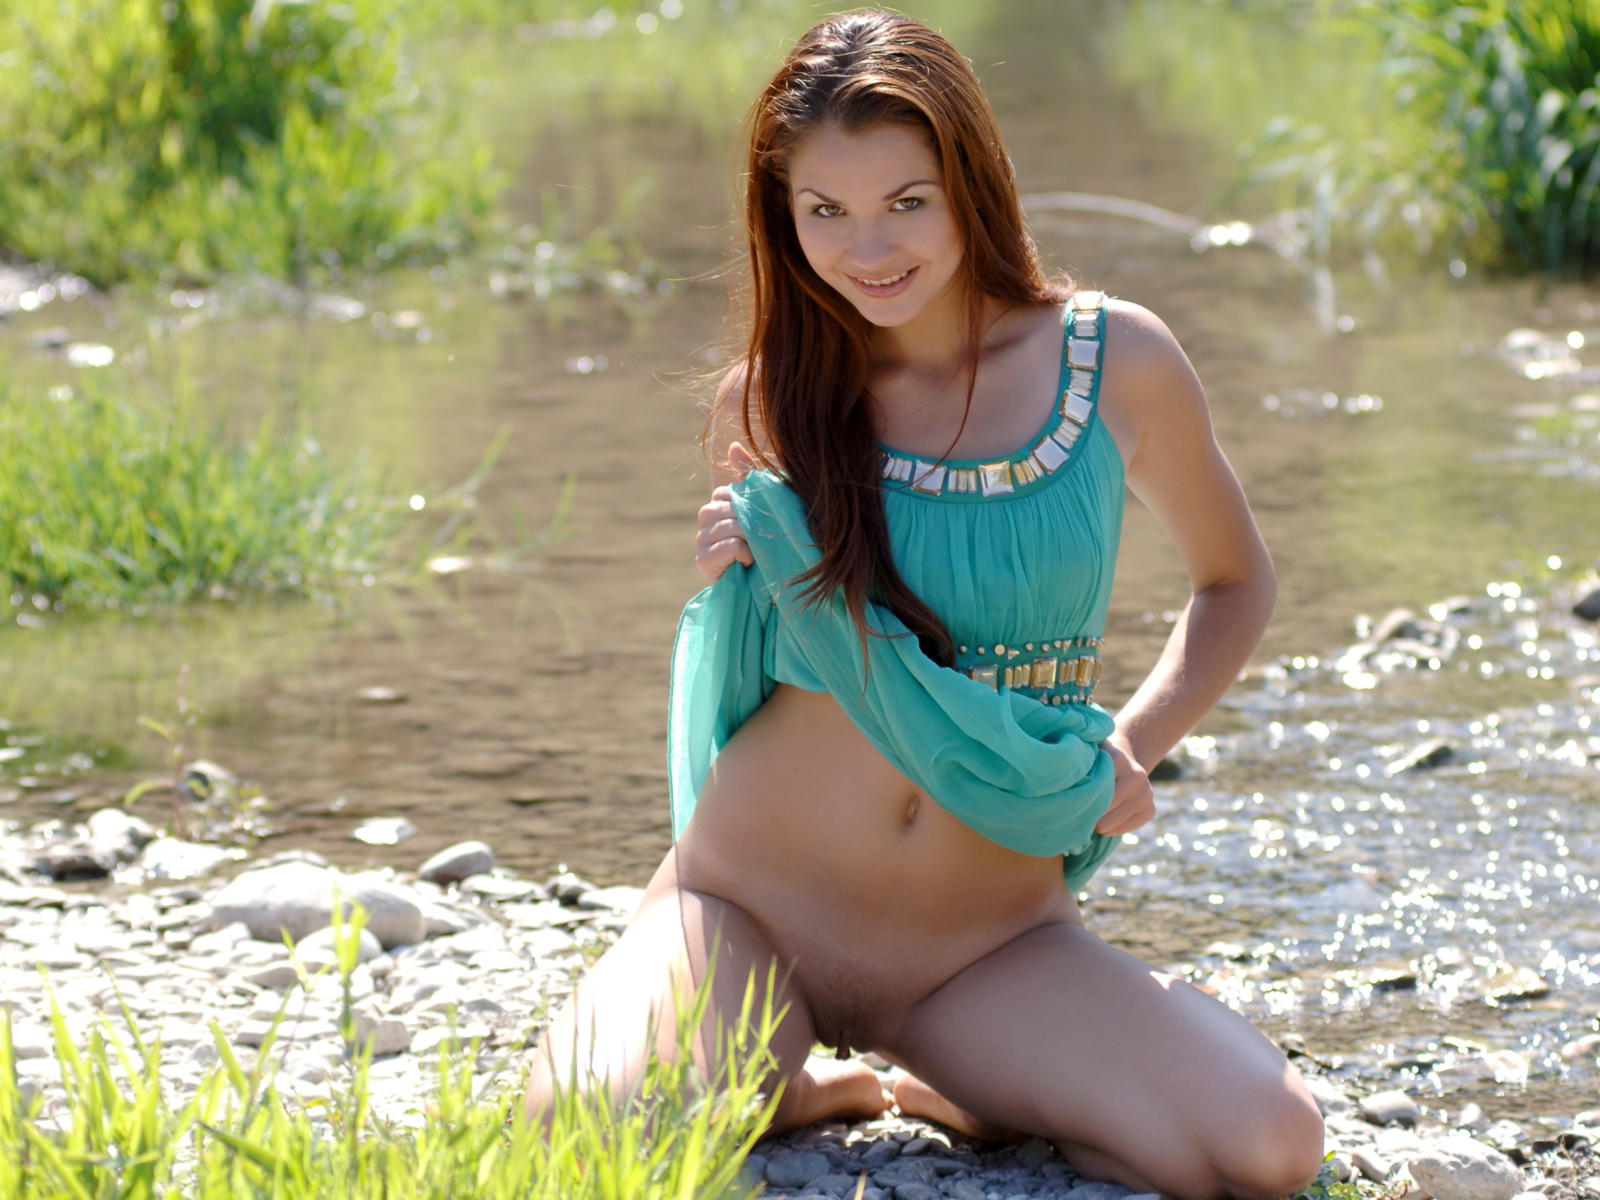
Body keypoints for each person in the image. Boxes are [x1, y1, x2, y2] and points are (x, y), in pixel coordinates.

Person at [522, 10, 1325, 1198]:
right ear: (782, 216)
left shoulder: (1114, 361)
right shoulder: (776, 397)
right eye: (824, 211)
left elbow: (1234, 581)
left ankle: (965, 1081)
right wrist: (739, 564)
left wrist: (1129, 745)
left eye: (907, 201)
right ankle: (791, 1079)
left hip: (985, 944)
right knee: (591, 1143)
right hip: (750, 911)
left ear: (971, 182)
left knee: (1263, 1147)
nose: (868, 248)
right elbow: (765, 658)